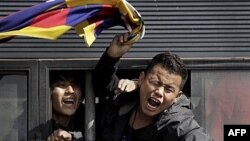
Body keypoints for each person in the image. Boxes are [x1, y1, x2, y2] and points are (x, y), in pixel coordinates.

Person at [94, 33, 213, 141]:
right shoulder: (124, 98)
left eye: (169, 89)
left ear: (177, 97)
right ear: (141, 79)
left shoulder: (178, 123)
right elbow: (102, 82)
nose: (159, 92)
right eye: (156, 83)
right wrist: (111, 57)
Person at [29, 73, 84, 141]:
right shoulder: (29, 123)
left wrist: (72, 137)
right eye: (62, 85)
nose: (70, 91)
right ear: (49, 92)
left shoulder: (89, 120)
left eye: (75, 85)